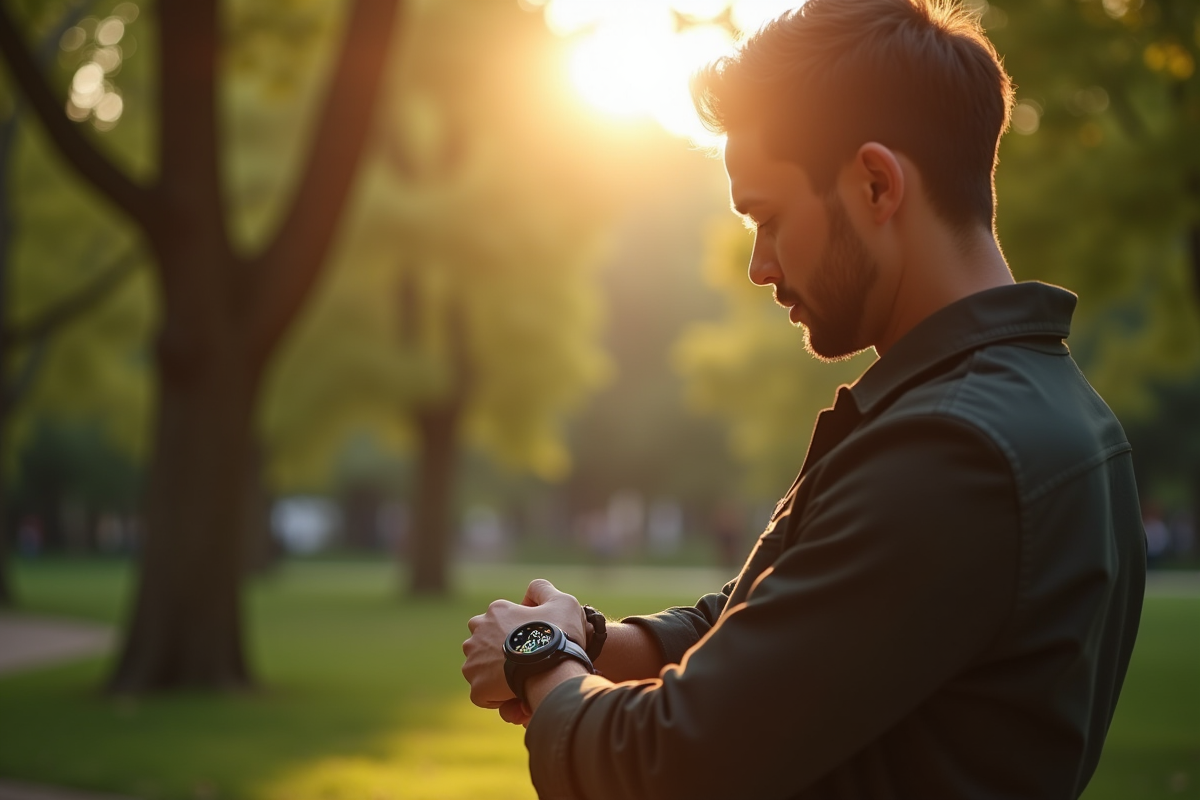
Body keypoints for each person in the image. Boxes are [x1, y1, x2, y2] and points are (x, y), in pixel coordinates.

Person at [461, 0, 1147, 797]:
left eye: (769, 217)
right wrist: (591, 638)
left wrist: (539, 656)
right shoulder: (1038, 408)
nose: (759, 266)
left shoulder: (954, 450)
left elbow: (668, 764)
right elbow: (764, 619)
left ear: (875, 182)